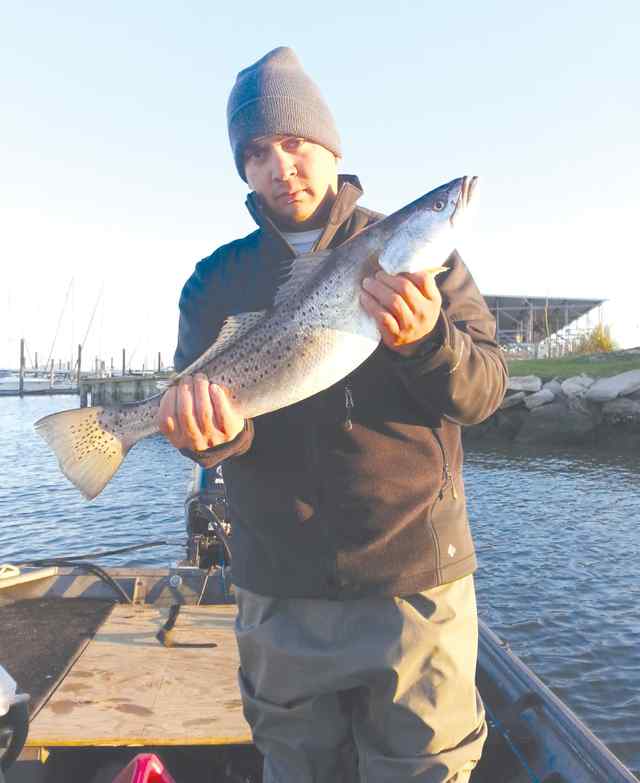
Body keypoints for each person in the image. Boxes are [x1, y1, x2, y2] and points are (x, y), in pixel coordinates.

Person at [158, 46, 507, 783]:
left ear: (331, 147)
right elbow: (219, 437)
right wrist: (212, 436)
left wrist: (427, 341)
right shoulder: (212, 282)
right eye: (257, 152)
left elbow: (481, 391)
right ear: (242, 171)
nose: (280, 165)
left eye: (295, 143)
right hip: (280, 588)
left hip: (416, 584)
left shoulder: (427, 259)